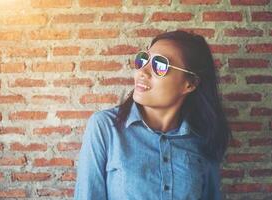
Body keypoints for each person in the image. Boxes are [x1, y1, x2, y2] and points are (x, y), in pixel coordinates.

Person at [74, 30, 232, 200]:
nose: (143, 71)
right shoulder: (105, 127)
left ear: (190, 83)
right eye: (143, 59)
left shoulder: (204, 138)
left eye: (160, 65)